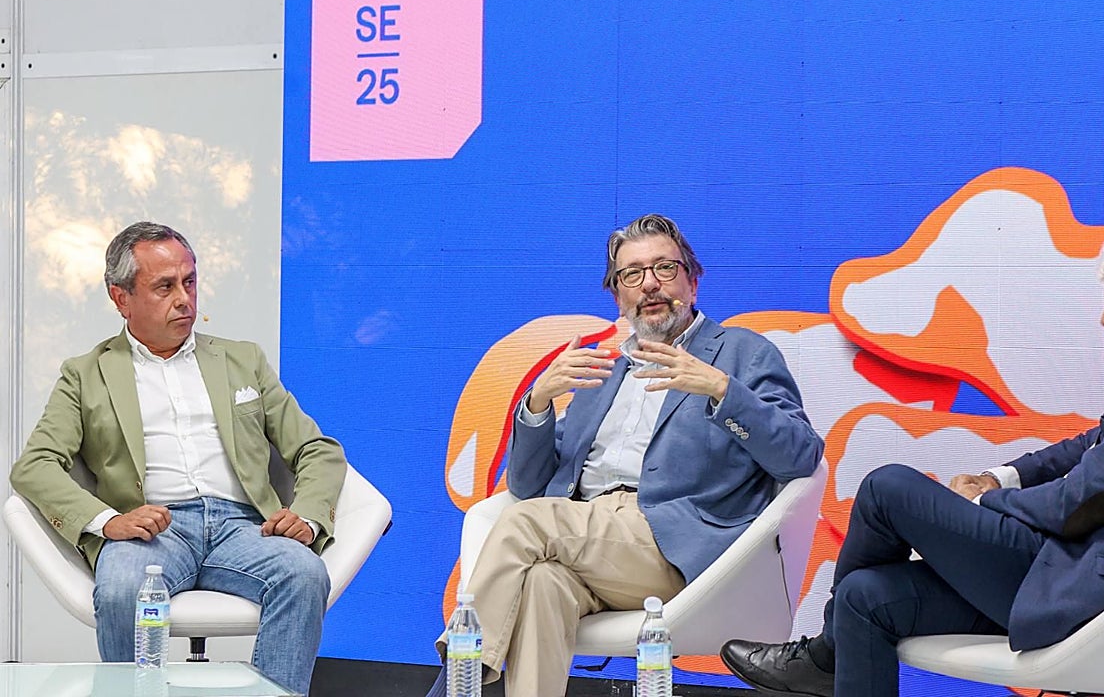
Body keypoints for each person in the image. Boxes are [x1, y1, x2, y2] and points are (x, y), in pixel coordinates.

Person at [720, 226, 1104, 697]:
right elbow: (1088, 445)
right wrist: (1000, 475)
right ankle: (829, 657)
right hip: (1054, 567)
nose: (1103, 320)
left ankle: (825, 659)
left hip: (1073, 580)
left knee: (888, 487)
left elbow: (1082, 502)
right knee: (862, 596)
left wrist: (991, 499)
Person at [428, 213, 824, 696]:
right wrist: (537, 402)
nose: (650, 285)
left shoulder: (744, 353)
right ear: (618, 295)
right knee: (542, 586)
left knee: (525, 524)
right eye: (632, 275)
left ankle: (454, 681)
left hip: (672, 543)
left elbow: (801, 457)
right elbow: (528, 488)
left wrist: (721, 389)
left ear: (693, 283)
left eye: (665, 268)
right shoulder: (602, 371)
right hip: (582, 535)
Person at [10, 222, 347, 696]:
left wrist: (307, 518)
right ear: (121, 298)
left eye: (189, 282)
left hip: (244, 526)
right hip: (152, 530)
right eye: (164, 286)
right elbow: (35, 465)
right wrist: (107, 521)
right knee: (123, 587)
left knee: (303, 573)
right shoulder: (85, 375)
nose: (185, 298)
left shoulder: (242, 360)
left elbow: (317, 450)